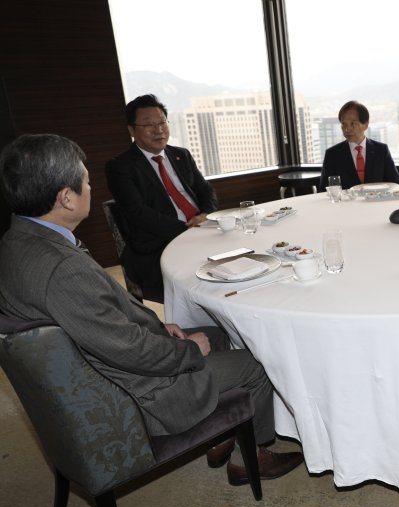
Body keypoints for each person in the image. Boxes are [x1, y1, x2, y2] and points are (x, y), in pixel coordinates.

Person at [0, 134, 302, 485]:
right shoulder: (61, 270)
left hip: (104, 366)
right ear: (66, 198)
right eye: (84, 181)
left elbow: (100, 324)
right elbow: (130, 352)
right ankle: (250, 457)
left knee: (221, 335)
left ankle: (224, 434)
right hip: (137, 393)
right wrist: (185, 350)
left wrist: (160, 330)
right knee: (256, 362)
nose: (90, 188)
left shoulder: (16, 242)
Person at [106, 94, 218, 302]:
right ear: (131, 130)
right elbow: (137, 213)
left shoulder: (181, 155)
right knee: (205, 284)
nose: (158, 130)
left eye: (162, 123)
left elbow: (206, 190)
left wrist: (205, 215)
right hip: (160, 243)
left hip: (201, 230)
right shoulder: (120, 167)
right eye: (148, 125)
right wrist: (186, 230)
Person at [319, 100, 399, 190]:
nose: (347, 129)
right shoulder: (332, 154)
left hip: (376, 203)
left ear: (365, 125)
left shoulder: (381, 150)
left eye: (353, 124)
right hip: (346, 204)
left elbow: (396, 183)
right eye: (344, 124)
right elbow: (325, 190)